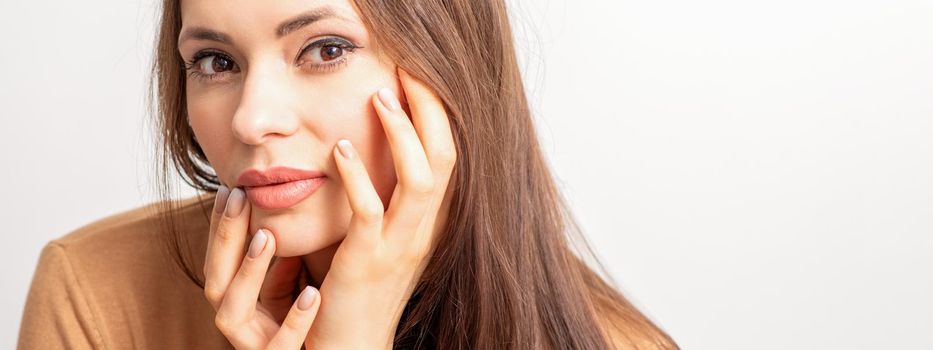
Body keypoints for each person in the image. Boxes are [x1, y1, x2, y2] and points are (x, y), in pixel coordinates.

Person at [18, 0, 679, 348]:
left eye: (325, 50)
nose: (252, 119)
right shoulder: (97, 293)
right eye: (216, 62)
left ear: (449, 70)